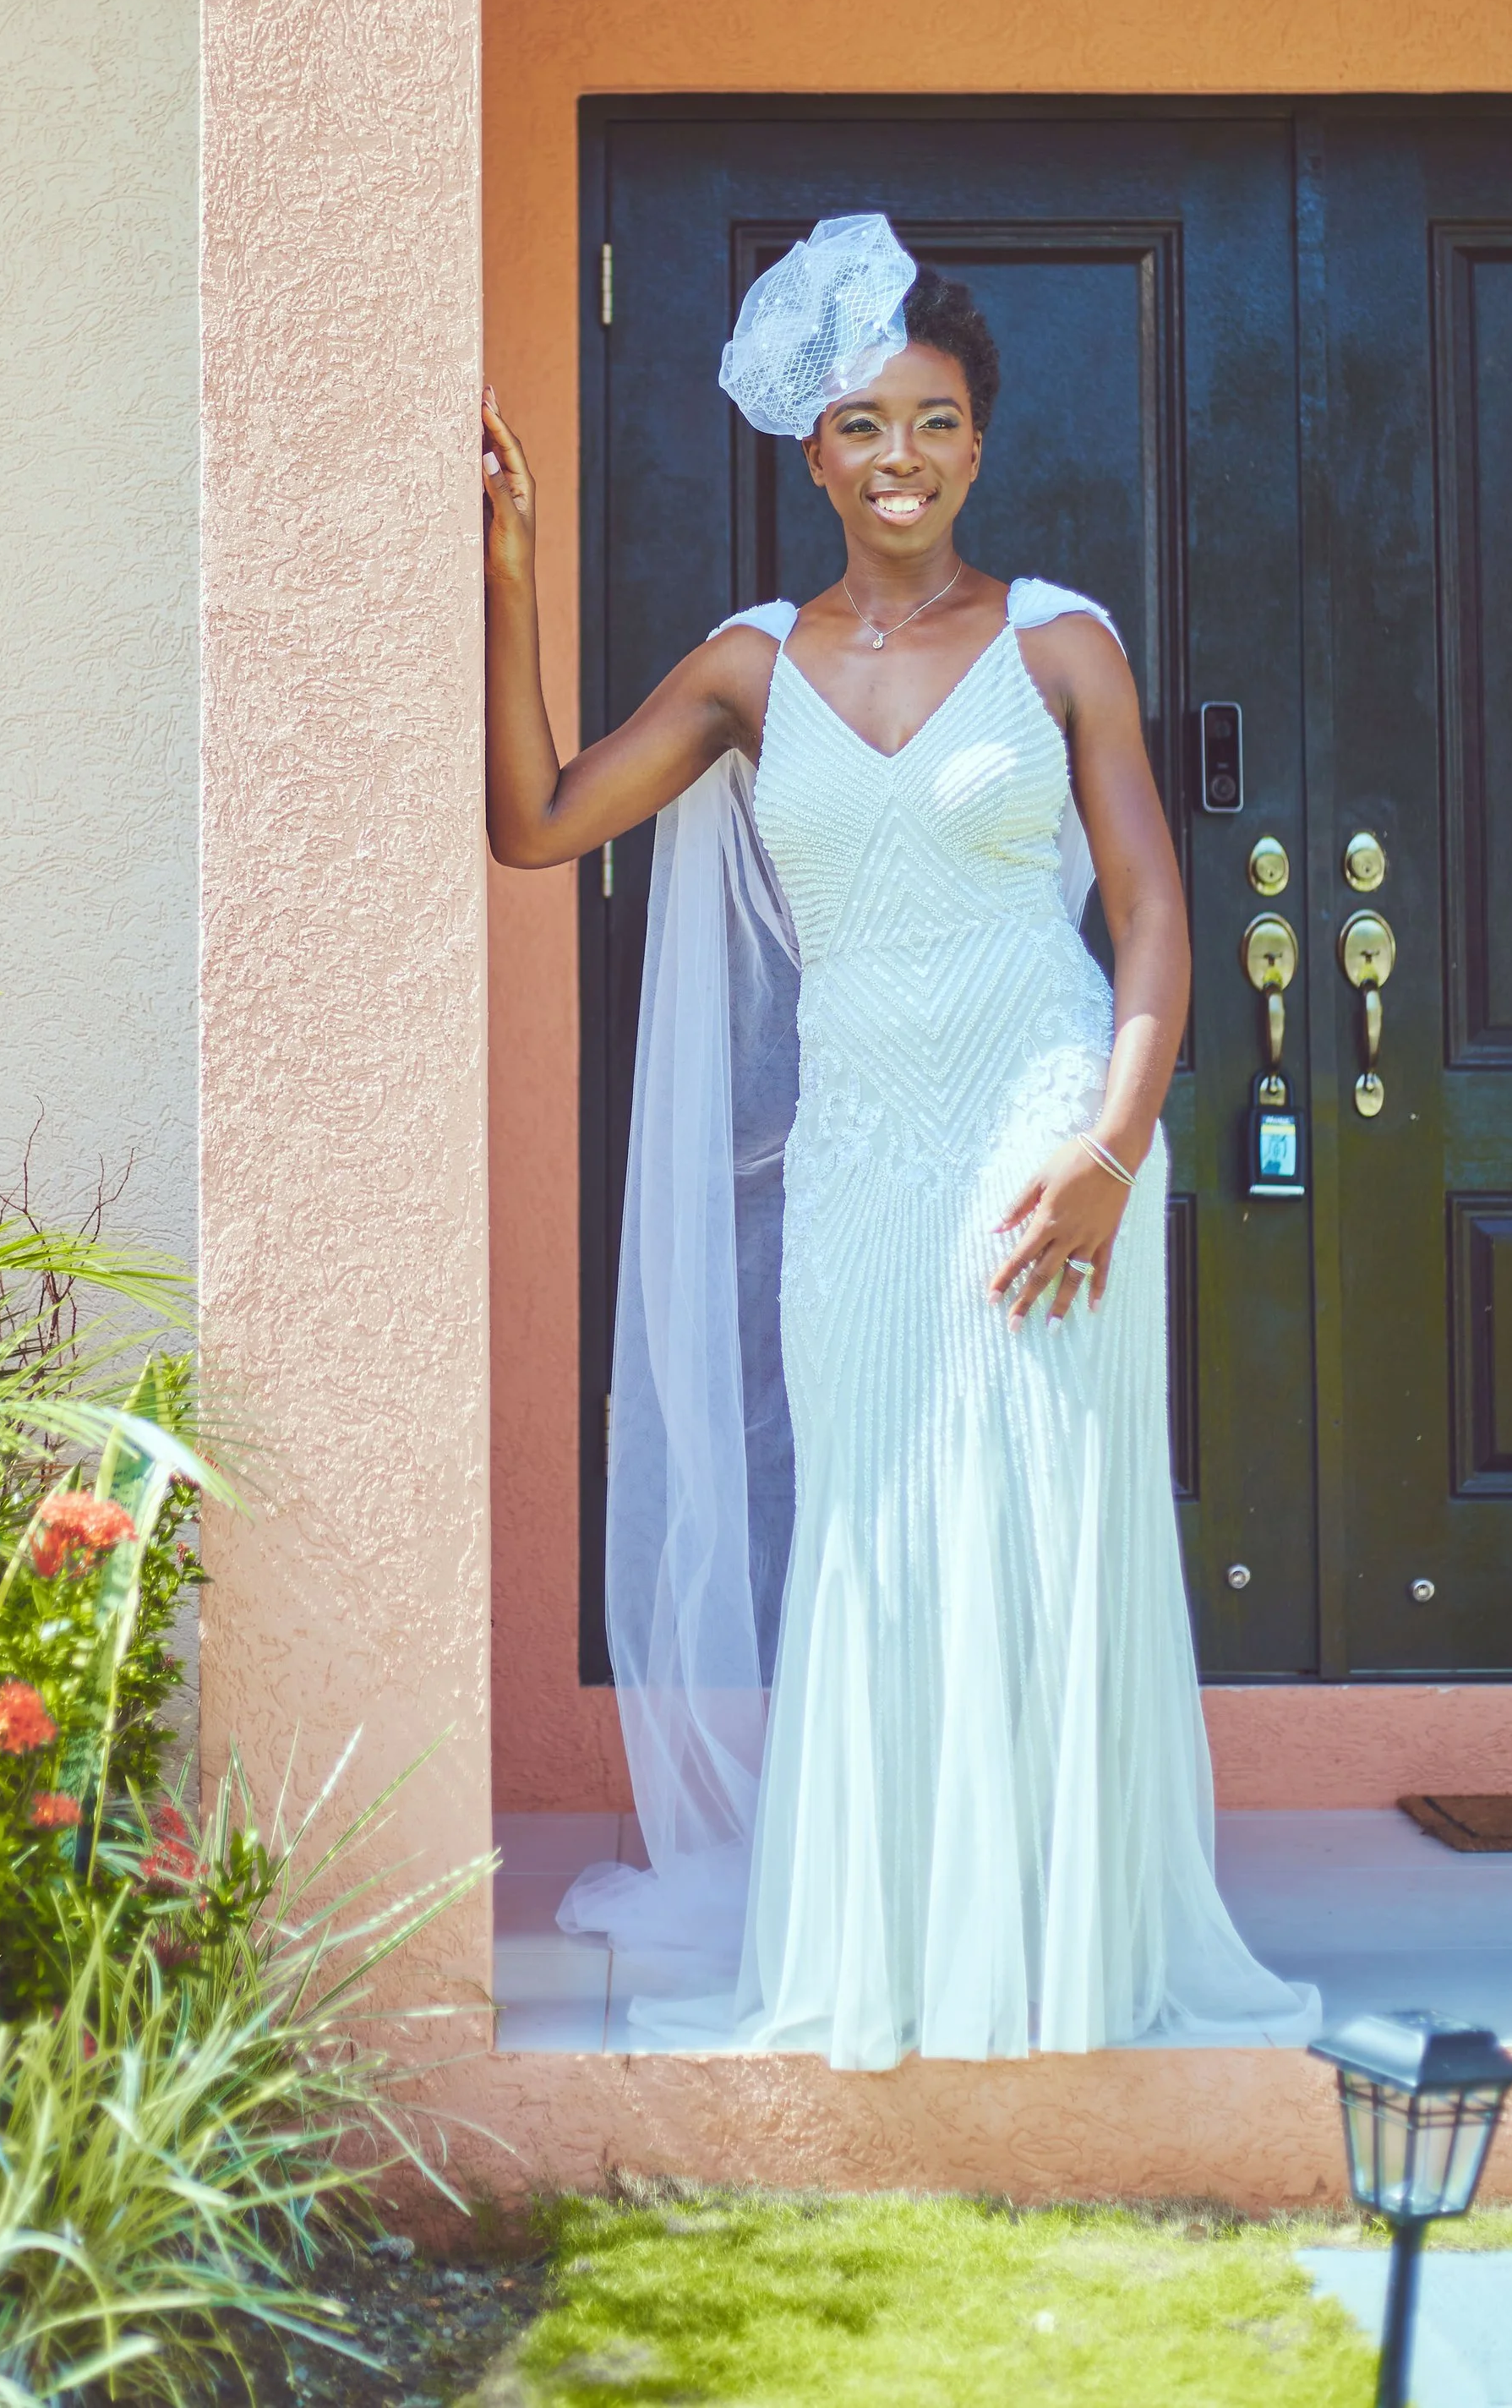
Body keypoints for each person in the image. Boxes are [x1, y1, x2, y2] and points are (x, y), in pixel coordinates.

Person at [483, 212, 1317, 2069]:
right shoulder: (744, 670)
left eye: (934, 423)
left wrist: (1109, 1149)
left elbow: (1152, 925)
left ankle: (1050, 1956)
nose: (901, 460)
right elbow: (537, 826)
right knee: (871, 1531)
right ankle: (891, 1946)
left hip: (1043, 1130)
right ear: (812, 449)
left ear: (979, 440)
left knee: (1033, 1525)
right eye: (864, 425)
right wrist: (510, 573)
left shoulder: (1058, 647)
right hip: (859, 1162)